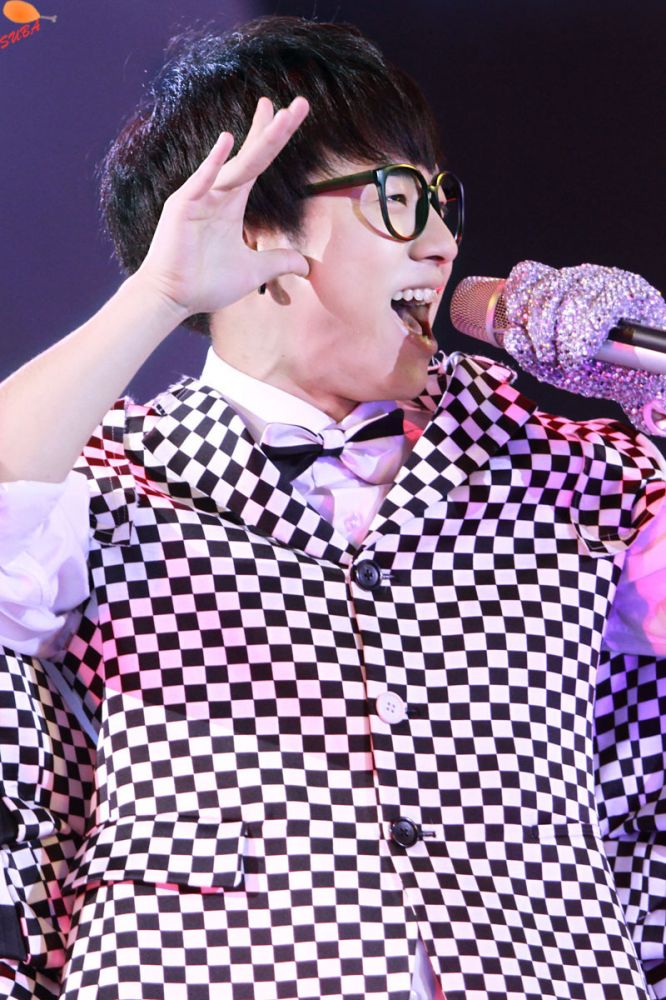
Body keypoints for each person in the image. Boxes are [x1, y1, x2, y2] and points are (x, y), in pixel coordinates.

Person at [1, 14, 666, 1000]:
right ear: (253, 227)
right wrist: (158, 294)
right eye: (398, 200)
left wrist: (652, 383)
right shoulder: (107, 481)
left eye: (442, 201)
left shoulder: (574, 474)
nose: (442, 243)